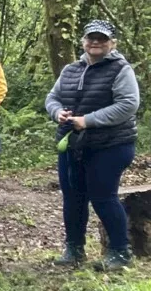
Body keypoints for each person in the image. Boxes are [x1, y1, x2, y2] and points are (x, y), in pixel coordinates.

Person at [46, 19, 140, 270]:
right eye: (91, 38)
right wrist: (58, 114)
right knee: (72, 198)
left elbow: (128, 104)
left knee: (103, 197)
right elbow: (52, 97)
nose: (96, 42)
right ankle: (74, 249)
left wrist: (88, 121)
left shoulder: (121, 69)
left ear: (112, 43)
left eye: (102, 38)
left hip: (111, 144)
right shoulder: (70, 70)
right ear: (83, 41)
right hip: (74, 144)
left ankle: (120, 252)